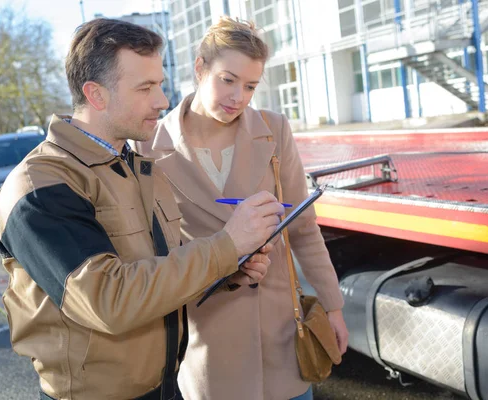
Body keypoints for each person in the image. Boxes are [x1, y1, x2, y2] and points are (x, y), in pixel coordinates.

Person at [0, 18, 284, 400]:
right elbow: (107, 300)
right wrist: (227, 245)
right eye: (145, 88)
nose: (162, 101)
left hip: (165, 388)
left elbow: (165, 271)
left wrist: (231, 269)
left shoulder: (139, 168)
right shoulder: (39, 186)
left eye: (160, 84)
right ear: (96, 95)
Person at [132, 17, 349, 400]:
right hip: (209, 348)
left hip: (284, 343)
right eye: (227, 80)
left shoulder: (274, 129)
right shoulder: (148, 148)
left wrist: (333, 307)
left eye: (250, 86)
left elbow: (303, 228)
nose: (239, 97)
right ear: (200, 68)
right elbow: (151, 254)